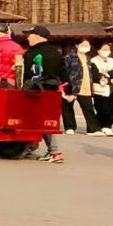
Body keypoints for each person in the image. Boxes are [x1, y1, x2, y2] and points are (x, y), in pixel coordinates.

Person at [21, 27, 70, 163]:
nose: (28, 38)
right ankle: (33, 147)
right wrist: (69, 90)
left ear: (38, 36)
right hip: (52, 91)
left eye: (30, 35)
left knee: (33, 119)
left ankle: (53, 151)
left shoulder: (31, 53)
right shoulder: (56, 53)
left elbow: (27, 74)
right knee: (47, 120)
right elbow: (63, 73)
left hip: (35, 90)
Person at [89, 44, 113, 136]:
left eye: (108, 49)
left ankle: (104, 126)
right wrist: (105, 77)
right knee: (103, 110)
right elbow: (95, 74)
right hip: (100, 89)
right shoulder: (93, 61)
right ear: (98, 50)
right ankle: (105, 127)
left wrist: (108, 75)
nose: (106, 51)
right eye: (104, 49)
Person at [70, 40, 99, 134]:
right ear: (77, 45)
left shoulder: (88, 59)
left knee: (89, 109)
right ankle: (70, 127)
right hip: (73, 86)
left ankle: (92, 129)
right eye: (83, 45)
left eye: (87, 45)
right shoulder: (70, 57)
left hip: (86, 87)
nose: (86, 47)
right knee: (68, 107)